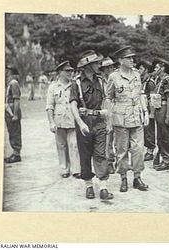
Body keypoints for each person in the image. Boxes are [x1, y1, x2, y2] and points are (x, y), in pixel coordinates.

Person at [70, 50, 113, 200]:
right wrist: (80, 123)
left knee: (101, 154)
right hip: (84, 122)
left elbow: (106, 101)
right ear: (88, 65)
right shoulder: (76, 82)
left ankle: (103, 187)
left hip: (99, 121)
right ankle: (88, 186)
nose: (99, 65)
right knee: (85, 155)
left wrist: (108, 121)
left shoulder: (101, 80)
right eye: (96, 63)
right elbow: (73, 105)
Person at [105, 46, 149, 192]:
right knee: (121, 150)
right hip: (120, 117)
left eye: (132, 57)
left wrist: (145, 111)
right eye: (128, 58)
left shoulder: (137, 74)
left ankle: (137, 177)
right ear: (121, 60)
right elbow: (109, 98)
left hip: (136, 115)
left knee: (138, 149)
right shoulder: (113, 77)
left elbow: (141, 94)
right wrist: (109, 118)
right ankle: (123, 178)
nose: (132, 60)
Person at [45, 61, 81, 179]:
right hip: (59, 119)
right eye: (67, 71)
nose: (70, 73)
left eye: (71, 71)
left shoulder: (75, 85)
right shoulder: (53, 87)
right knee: (61, 145)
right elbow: (50, 106)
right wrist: (51, 121)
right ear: (60, 72)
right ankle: (64, 168)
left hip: (72, 119)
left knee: (74, 144)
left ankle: (76, 169)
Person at [151, 57, 169, 171]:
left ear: (163, 68)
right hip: (159, 108)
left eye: (157, 67)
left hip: (164, 107)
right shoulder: (159, 80)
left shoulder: (167, 80)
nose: (155, 69)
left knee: (165, 134)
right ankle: (162, 156)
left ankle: (167, 159)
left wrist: (168, 115)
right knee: (159, 134)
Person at [99, 57, 117, 174]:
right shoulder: (100, 82)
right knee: (108, 138)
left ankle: (121, 161)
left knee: (121, 138)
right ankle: (109, 162)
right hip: (105, 110)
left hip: (118, 109)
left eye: (111, 67)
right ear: (103, 70)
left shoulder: (117, 78)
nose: (110, 69)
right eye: (107, 68)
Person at [136, 59, 156, 162]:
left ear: (146, 70)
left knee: (149, 130)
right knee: (143, 130)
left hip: (148, 109)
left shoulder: (150, 83)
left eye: (141, 68)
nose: (139, 70)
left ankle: (150, 150)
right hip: (141, 109)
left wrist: (152, 112)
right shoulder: (141, 81)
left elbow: (152, 98)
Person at [5, 66, 22, 163]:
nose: (7, 74)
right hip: (8, 109)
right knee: (11, 130)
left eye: (8, 72)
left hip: (12, 109)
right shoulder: (10, 83)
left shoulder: (14, 83)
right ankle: (14, 152)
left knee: (15, 131)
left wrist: (15, 114)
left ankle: (17, 153)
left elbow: (16, 100)